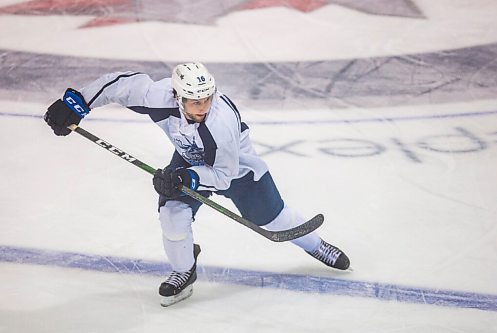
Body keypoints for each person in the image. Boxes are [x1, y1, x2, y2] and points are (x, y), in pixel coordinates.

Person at [44, 62, 350, 307]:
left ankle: (316, 245)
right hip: (189, 162)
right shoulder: (158, 97)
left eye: (206, 99)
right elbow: (121, 85)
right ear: (177, 97)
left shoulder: (221, 124)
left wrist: (186, 178)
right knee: (172, 217)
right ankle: (184, 270)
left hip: (236, 169)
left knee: (275, 219)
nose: (202, 107)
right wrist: (78, 102)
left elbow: (222, 176)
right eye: (193, 101)